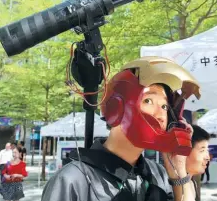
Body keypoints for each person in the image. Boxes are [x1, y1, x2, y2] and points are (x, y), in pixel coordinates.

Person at [42, 56, 201, 201]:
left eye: (165, 106)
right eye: (148, 101)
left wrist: (179, 172)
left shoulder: (158, 174)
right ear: (116, 107)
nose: (161, 115)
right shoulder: (72, 180)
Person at [185, 125, 211, 200]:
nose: (208, 158)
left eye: (207, 151)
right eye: (202, 151)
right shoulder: (167, 186)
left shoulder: (192, 183)